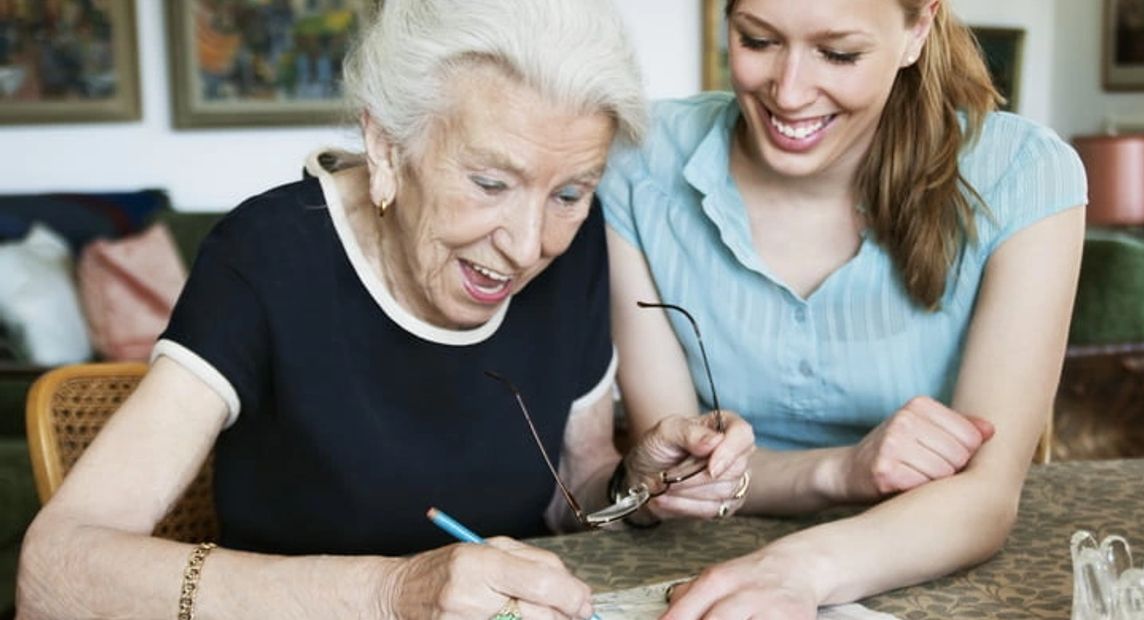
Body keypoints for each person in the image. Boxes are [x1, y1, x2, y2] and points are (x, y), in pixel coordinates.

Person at [16, 1, 754, 618]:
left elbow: (573, 489)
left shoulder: (578, 246)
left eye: (569, 192)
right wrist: (393, 591)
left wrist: (640, 485)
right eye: (491, 182)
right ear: (388, 149)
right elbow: (56, 570)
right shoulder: (268, 255)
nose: (530, 246)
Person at [599, 0, 1086, 617]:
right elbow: (683, 476)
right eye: (757, 41)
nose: (790, 91)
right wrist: (842, 472)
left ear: (918, 28)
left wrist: (797, 571)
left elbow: (984, 497)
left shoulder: (1023, 176)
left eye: (838, 53)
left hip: (925, 567)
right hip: (698, 550)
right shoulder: (639, 163)